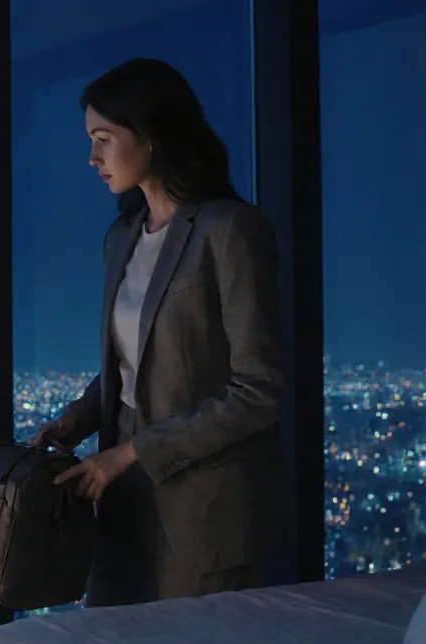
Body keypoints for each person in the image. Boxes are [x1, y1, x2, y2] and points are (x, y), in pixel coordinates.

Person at [32, 58, 285, 608]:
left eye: (104, 139)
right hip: (121, 498)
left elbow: (258, 391)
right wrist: (79, 418)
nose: (93, 157)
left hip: (201, 512)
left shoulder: (230, 231)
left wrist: (131, 454)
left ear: (152, 135)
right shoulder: (121, 238)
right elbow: (131, 365)